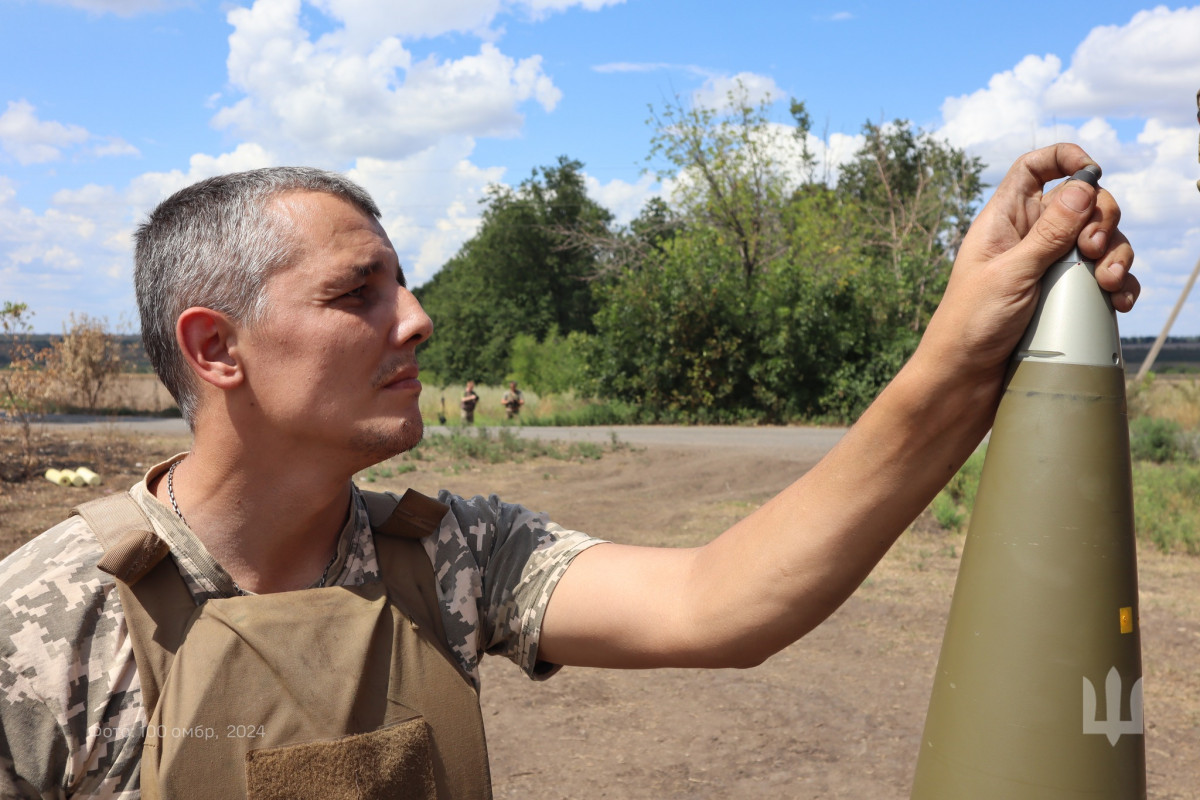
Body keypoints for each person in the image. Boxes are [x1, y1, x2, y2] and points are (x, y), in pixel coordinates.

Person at [0, 144, 1138, 798]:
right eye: (360, 295)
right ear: (216, 348)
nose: (422, 320)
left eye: (406, 282)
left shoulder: (448, 552)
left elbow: (724, 602)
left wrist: (963, 350)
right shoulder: (48, 622)